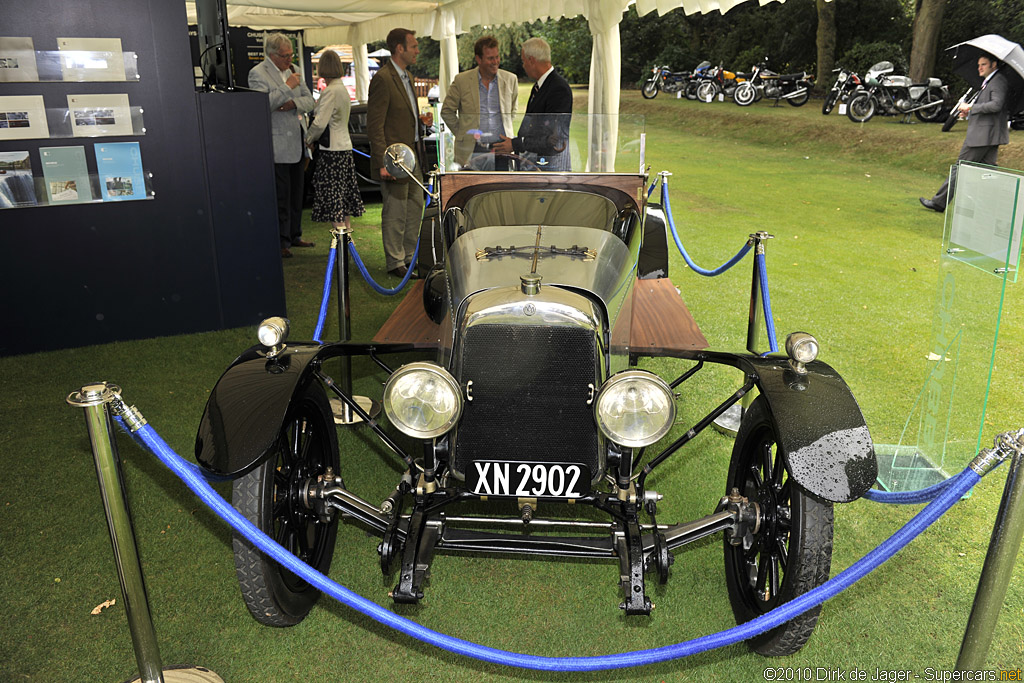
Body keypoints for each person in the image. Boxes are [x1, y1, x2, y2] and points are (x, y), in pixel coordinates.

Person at [367, 28, 428, 279]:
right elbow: (375, 125)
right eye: (413, 46)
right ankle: (395, 262)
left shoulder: (407, 76)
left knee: (414, 207)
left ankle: (410, 256)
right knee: (395, 210)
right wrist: (384, 161)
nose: (417, 50)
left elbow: (402, 116)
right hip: (395, 159)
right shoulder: (383, 78)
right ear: (399, 48)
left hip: (412, 154)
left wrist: (420, 121)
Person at [249, 32, 316, 258]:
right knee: (281, 196)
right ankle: (281, 241)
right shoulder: (257, 73)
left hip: (298, 141)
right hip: (277, 144)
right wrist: (287, 86)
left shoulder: (294, 69)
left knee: (298, 194)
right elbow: (262, 105)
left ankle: (295, 235)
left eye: (291, 55)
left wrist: (292, 104)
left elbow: (310, 100)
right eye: (285, 56)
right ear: (272, 55)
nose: (289, 59)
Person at [920, 53, 1011, 212]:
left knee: (960, 167)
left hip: (982, 137)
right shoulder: (989, 81)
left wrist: (971, 108)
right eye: (979, 65)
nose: (979, 68)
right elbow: (987, 107)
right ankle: (1000, 207)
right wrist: (969, 113)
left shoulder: (998, 81)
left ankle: (939, 202)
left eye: (983, 64)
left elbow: (996, 106)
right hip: (987, 135)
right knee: (988, 173)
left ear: (994, 65)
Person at [491, 37, 572, 171]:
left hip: (549, 168)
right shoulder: (540, 86)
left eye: (523, 61)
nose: (523, 66)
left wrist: (515, 144)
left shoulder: (558, 89)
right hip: (536, 165)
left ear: (531, 60)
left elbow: (553, 139)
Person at [305, 49, 364, 233]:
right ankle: (347, 239)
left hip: (332, 151)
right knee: (343, 197)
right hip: (344, 148)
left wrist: (308, 139)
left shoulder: (330, 91)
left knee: (334, 199)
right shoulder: (342, 90)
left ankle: (340, 240)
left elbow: (320, 123)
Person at [440, 35, 518, 169]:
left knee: (500, 188)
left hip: (501, 148)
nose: (495, 61)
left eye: (497, 57)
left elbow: (512, 111)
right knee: (472, 189)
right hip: (472, 150)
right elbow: (447, 111)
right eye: (490, 58)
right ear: (478, 59)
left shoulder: (510, 79)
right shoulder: (461, 81)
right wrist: (462, 132)